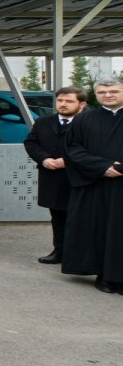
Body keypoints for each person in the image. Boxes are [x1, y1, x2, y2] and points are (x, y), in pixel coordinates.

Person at [61, 78, 123, 294]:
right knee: (99, 229)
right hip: (95, 185)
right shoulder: (83, 120)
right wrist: (103, 166)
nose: (108, 95)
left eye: (113, 91)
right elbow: (72, 150)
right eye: (102, 92)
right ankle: (104, 275)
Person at [24, 87, 84, 265]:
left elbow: (93, 147)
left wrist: (68, 161)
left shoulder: (88, 122)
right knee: (57, 217)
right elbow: (31, 142)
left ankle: (80, 256)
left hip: (79, 178)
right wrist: (44, 159)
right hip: (52, 176)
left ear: (82, 105)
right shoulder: (43, 121)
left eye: (69, 101)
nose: (63, 104)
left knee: (80, 218)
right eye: (60, 101)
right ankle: (59, 252)